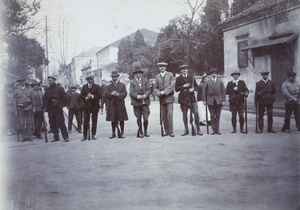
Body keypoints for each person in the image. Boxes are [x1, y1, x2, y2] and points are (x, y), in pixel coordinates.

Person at [175, 64, 202, 136]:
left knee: (196, 113)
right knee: (184, 114)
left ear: (187, 70)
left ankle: (198, 129)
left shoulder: (192, 78)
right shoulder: (178, 79)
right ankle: (186, 129)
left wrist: (193, 89)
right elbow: (176, 89)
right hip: (183, 98)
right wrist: (183, 86)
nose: (184, 70)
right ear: (181, 71)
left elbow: (197, 86)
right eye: (182, 69)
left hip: (191, 98)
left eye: (185, 69)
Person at [42, 75, 69, 142]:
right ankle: (56, 137)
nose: (50, 82)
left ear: (54, 80)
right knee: (52, 123)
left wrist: (61, 105)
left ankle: (66, 137)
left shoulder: (60, 88)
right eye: (49, 80)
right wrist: (43, 106)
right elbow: (45, 99)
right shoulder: (48, 90)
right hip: (50, 109)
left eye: (51, 80)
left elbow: (65, 98)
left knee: (61, 123)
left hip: (58, 109)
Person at [153, 62, 176, 137]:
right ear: (159, 68)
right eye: (161, 66)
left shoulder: (170, 75)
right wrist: (158, 92)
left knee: (170, 114)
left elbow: (172, 85)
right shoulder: (157, 76)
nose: (162, 68)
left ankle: (171, 131)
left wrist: (164, 92)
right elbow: (155, 87)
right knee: (163, 116)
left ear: (166, 68)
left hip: (169, 97)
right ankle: (166, 131)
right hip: (162, 99)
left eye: (163, 66)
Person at [202, 68, 226, 135]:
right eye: (212, 73)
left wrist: (223, 100)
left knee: (218, 115)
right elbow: (204, 92)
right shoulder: (207, 82)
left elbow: (223, 91)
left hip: (219, 100)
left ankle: (217, 129)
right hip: (210, 101)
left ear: (217, 74)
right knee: (212, 115)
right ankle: (213, 129)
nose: (214, 74)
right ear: (210, 74)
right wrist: (204, 100)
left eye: (215, 73)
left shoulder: (220, 82)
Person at [130, 67, 151, 138]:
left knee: (146, 118)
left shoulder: (145, 81)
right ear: (135, 74)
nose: (138, 75)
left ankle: (145, 131)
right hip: (136, 102)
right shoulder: (132, 82)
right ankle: (140, 131)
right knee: (138, 117)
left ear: (141, 74)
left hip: (145, 101)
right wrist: (138, 96)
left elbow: (149, 89)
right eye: (137, 73)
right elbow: (131, 92)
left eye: (139, 73)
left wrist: (145, 95)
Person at [106, 71, 128, 139]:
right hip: (112, 105)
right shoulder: (109, 86)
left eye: (115, 77)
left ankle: (122, 132)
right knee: (113, 119)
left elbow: (125, 94)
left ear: (118, 77)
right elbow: (106, 94)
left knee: (121, 119)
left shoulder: (122, 85)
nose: (114, 78)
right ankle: (113, 133)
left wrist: (118, 95)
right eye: (113, 77)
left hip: (120, 104)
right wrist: (111, 94)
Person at [225, 69, 249, 133]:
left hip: (241, 102)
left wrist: (246, 93)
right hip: (233, 102)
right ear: (232, 76)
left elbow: (246, 90)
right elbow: (226, 92)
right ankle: (234, 129)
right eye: (234, 75)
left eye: (236, 75)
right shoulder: (230, 83)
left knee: (241, 116)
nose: (235, 76)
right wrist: (233, 89)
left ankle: (242, 129)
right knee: (233, 116)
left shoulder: (242, 82)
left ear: (238, 75)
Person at [254, 69, 277, 133]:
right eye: (264, 75)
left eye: (266, 75)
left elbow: (274, 91)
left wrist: (271, 97)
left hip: (269, 101)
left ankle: (270, 128)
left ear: (268, 75)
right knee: (261, 115)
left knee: (270, 114)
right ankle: (260, 129)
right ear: (262, 75)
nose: (265, 76)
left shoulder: (271, 83)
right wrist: (255, 102)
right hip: (261, 101)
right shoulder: (258, 83)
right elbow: (256, 93)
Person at [80, 75, 101, 141]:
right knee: (86, 121)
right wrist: (86, 98)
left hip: (95, 106)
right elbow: (81, 96)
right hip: (86, 106)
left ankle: (93, 134)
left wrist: (92, 96)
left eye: (92, 79)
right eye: (90, 79)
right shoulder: (84, 87)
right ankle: (85, 135)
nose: (91, 80)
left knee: (94, 121)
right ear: (88, 80)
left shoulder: (97, 86)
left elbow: (99, 95)